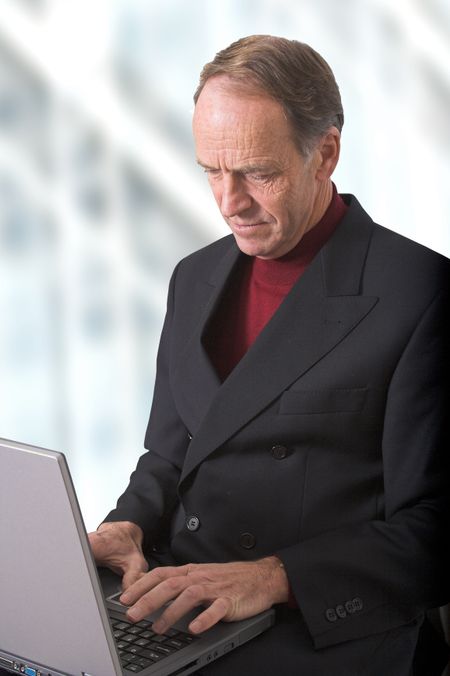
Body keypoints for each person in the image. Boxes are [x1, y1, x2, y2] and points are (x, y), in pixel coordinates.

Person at [89, 35, 449, 675]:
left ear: (326, 153)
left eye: (259, 172)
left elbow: (436, 529)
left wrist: (274, 577)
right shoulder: (192, 277)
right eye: (211, 170)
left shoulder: (421, 291)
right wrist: (129, 525)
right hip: (180, 602)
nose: (230, 204)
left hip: (317, 626)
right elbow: (172, 454)